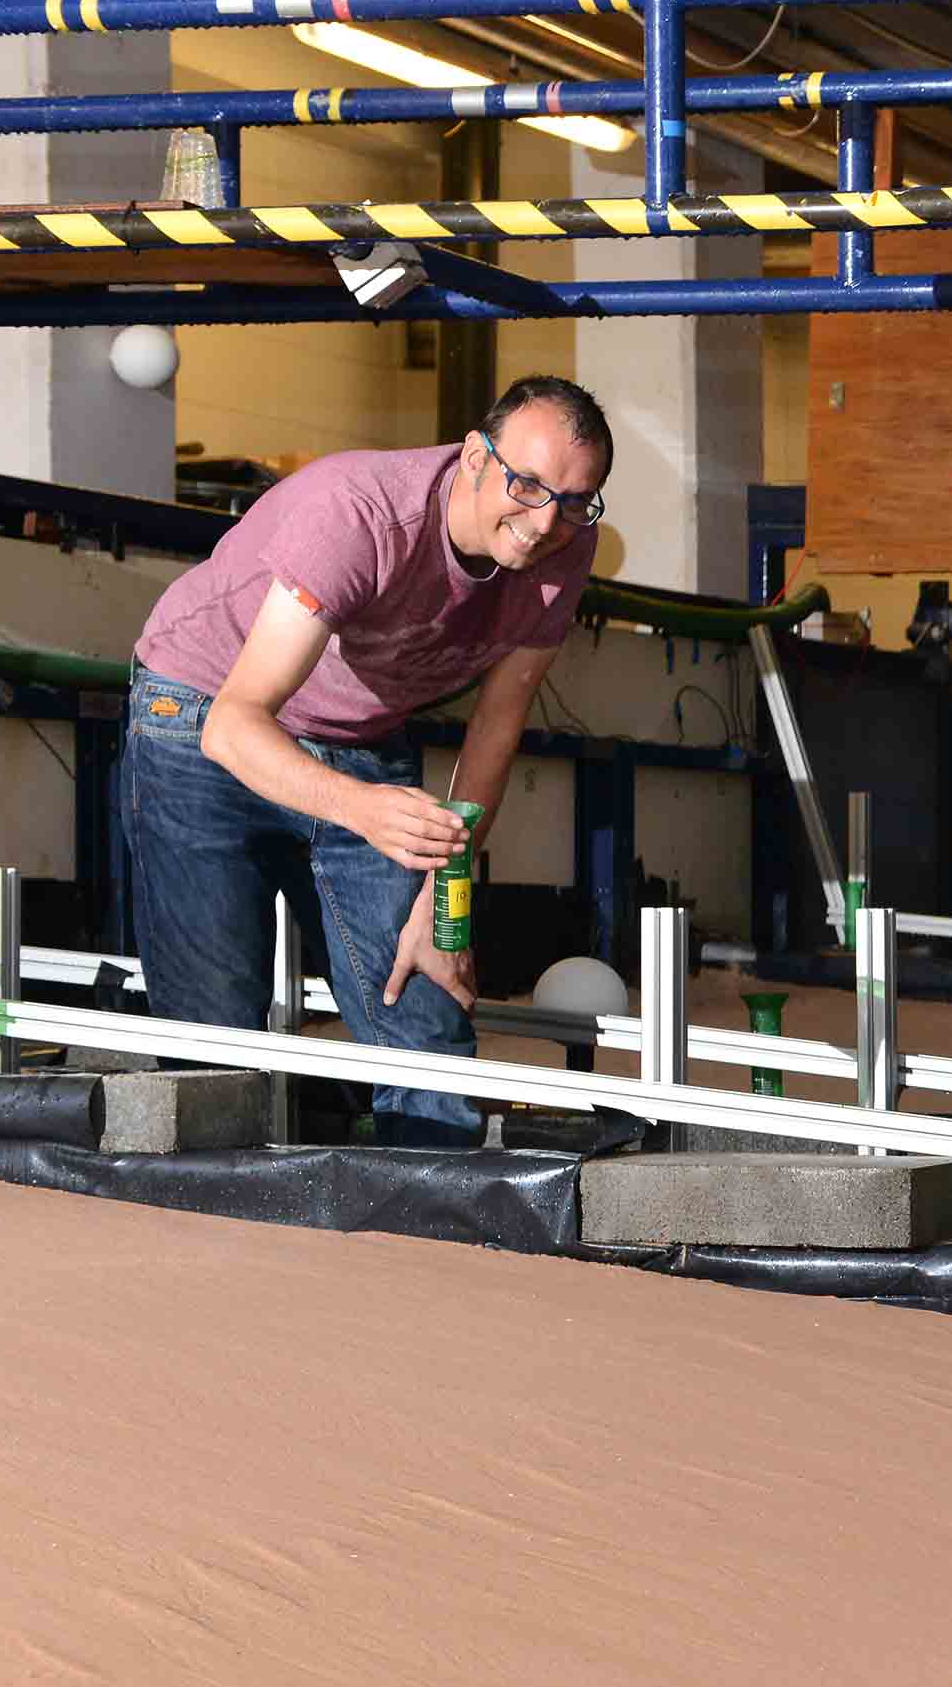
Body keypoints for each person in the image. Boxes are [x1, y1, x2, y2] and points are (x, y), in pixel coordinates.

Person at [123, 377, 613, 1148]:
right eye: (527, 484)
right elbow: (234, 725)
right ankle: (215, 1247)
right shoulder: (356, 512)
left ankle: (435, 1233)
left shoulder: (565, 544)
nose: (545, 519)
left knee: (426, 1000)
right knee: (213, 1034)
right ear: (476, 457)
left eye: (576, 499)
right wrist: (359, 807)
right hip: (201, 717)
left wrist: (440, 897)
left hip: (359, 733)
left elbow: (498, 721)